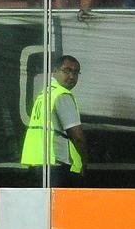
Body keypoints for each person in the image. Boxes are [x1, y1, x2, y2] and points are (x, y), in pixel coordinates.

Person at [20, 54, 87, 187]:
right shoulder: (62, 95)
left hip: (37, 163)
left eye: (75, 72)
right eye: (66, 70)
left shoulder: (44, 94)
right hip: (55, 165)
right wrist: (85, 160)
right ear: (55, 71)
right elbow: (78, 136)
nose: (72, 76)